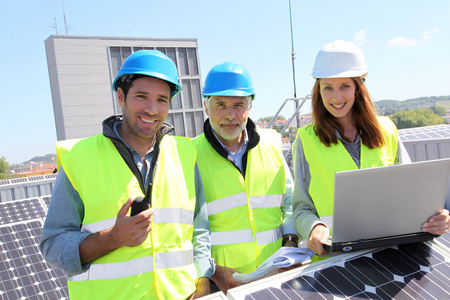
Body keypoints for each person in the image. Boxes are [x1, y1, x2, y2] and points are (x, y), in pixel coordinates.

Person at [39, 50, 215, 299]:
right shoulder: (78, 158)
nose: (152, 109)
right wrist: (111, 239)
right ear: (121, 96)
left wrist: (203, 279)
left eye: (162, 100)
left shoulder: (185, 154)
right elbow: (52, 245)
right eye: (141, 97)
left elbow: (199, 229)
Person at [292, 40, 450, 261]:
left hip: (395, 255)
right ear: (318, 91)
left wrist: (438, 218)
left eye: (345, 86)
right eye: (328, 87)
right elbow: (301, 208)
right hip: (335, 262)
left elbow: (412, 196)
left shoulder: (387, 130)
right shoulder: (305, 141)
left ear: (358, 87)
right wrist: (313, 226)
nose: (336, 97)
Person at [192, 62, 299, 293]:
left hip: (277, 277)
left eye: (238, 105)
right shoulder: (190, 155)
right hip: (223, 285)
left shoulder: (272, 144)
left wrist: (291, 240)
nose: (230, 115)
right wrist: (212, 272)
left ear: (250, 106)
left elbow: (290, 202)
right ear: (205, 105)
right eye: (220, 105)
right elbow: (188, 228)